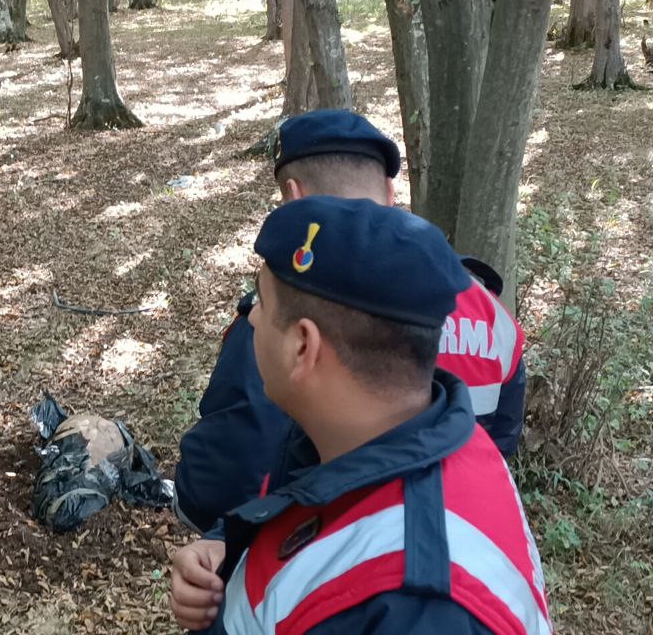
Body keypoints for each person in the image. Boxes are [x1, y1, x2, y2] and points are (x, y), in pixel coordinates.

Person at [172, 196, 551, 634]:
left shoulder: (417, 606)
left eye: (261, 301)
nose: (252, 317)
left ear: (302, 347)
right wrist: (231, 548)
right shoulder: (416, 434)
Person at [173, 110, 526, 535]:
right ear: (390, 191)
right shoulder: (490, 311)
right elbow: (500, 443)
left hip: (325, 546)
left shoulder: (291, 311)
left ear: (294, 195)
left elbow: (231, 466)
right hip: (466, 527)